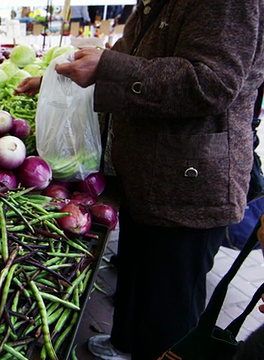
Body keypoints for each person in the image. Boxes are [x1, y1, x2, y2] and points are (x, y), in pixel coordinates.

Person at [16, 0, 264, 359]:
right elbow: (133, 54)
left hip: (188, 184)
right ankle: (125, 343)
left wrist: (108, 66)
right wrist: (63, 79)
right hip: (146, 172)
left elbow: (211, 82)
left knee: (168, 306)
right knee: (138, 273)